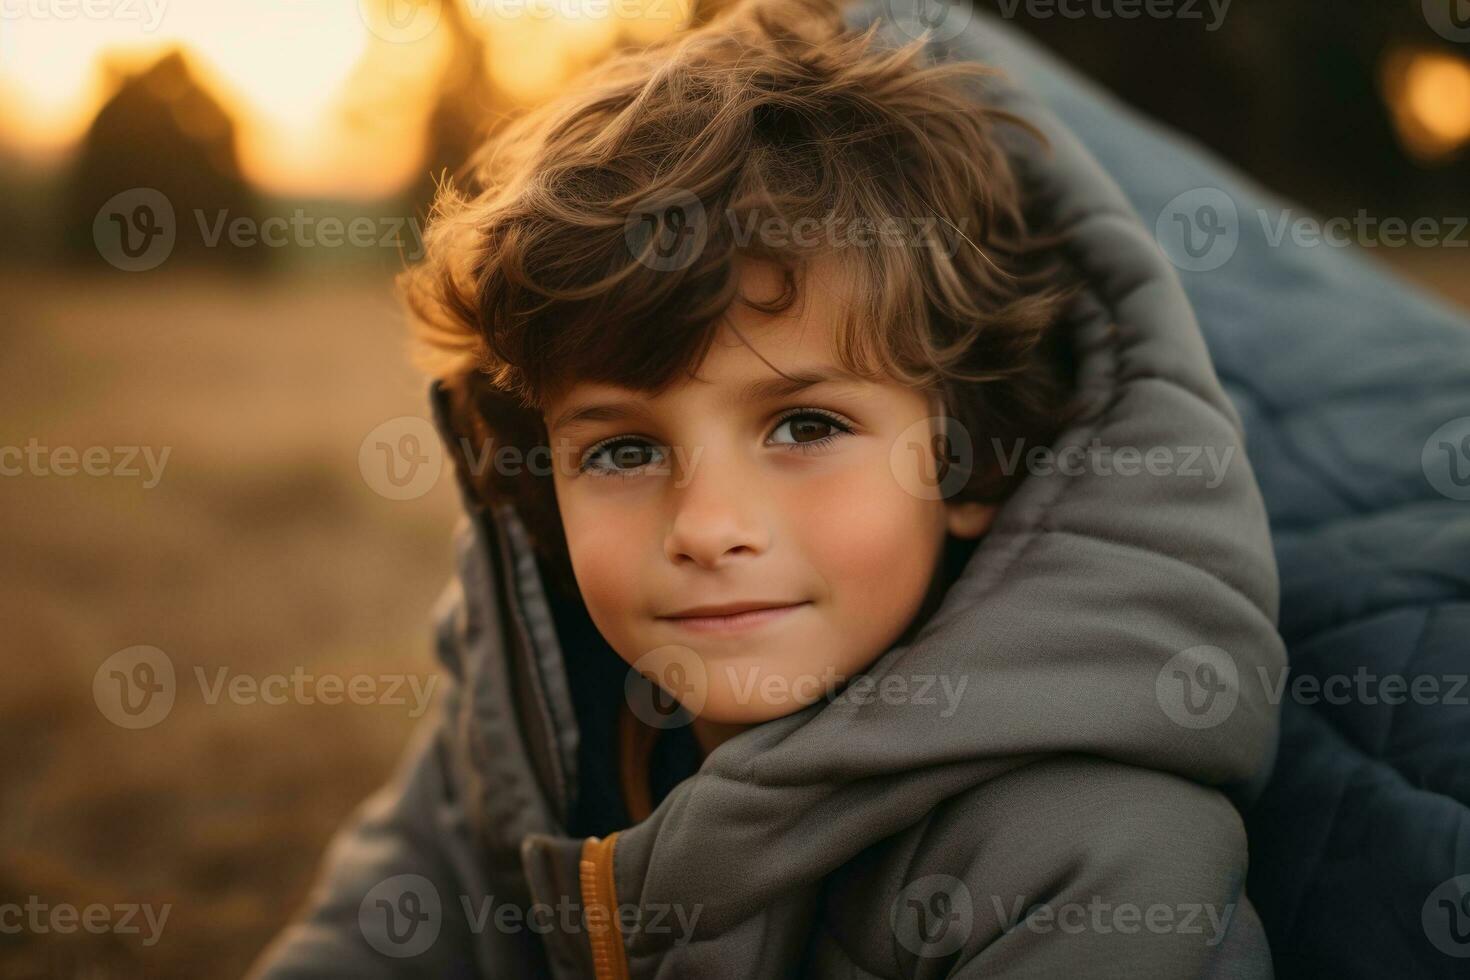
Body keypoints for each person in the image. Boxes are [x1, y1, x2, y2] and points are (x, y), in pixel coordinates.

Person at [250, 0, 1285, 976]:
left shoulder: (1090, 857)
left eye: (806, 425)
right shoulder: (525, 723)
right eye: (620, 451)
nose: (707, 526)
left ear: (971, 455)